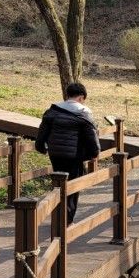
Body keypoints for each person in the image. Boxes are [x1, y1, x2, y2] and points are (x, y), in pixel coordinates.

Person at [35, 81, 101, 225]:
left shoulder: (52, 111)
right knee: (72, 187)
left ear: (68, 95)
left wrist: (40, 147)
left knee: (58, 185)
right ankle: (66, 221)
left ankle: (58, 216)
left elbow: (42, 132)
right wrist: (95, 153)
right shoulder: (83, 114)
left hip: (55, 154)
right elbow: (91, 136)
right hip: (74, 156)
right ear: (81, 97)